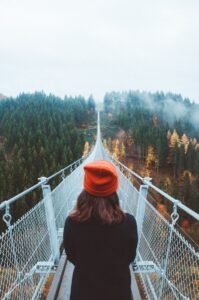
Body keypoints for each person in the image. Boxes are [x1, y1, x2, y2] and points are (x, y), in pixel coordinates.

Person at [63, 160, 138, 300]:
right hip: (118, 293)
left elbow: (71, 256)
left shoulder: (71, 223)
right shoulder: (129, 223)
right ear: (114, 190)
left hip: (82, 293)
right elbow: (130, 257)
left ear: (85, 189)